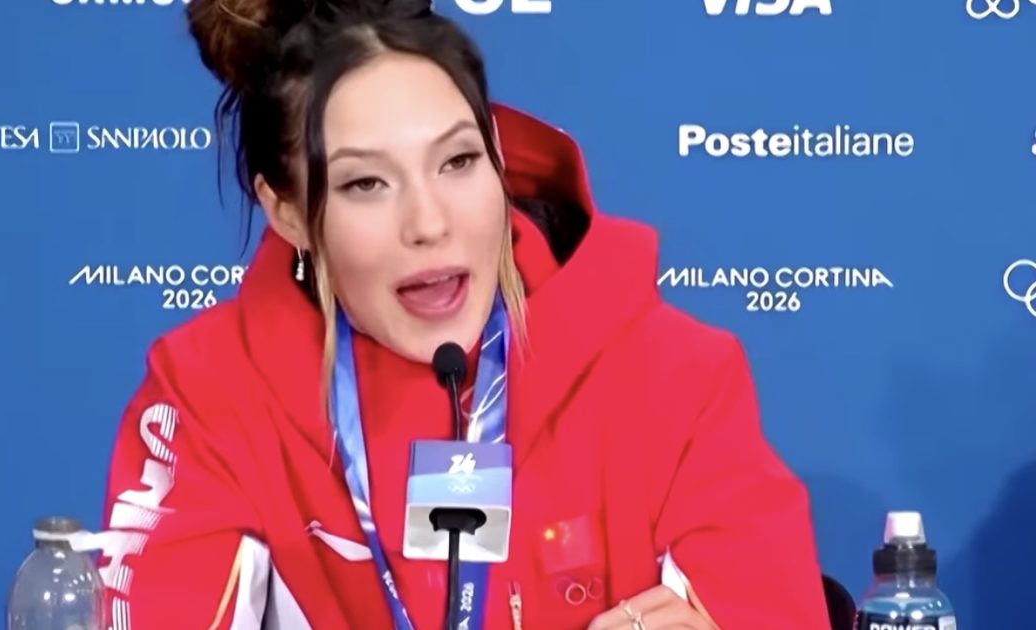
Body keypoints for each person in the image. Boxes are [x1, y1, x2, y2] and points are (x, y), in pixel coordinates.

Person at [96, 0, 831, 628]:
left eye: (457, 162)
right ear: (286, 210)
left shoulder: (678, 376)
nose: (429, 223)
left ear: (499, 160)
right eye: (365, 184)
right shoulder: (207, 391)